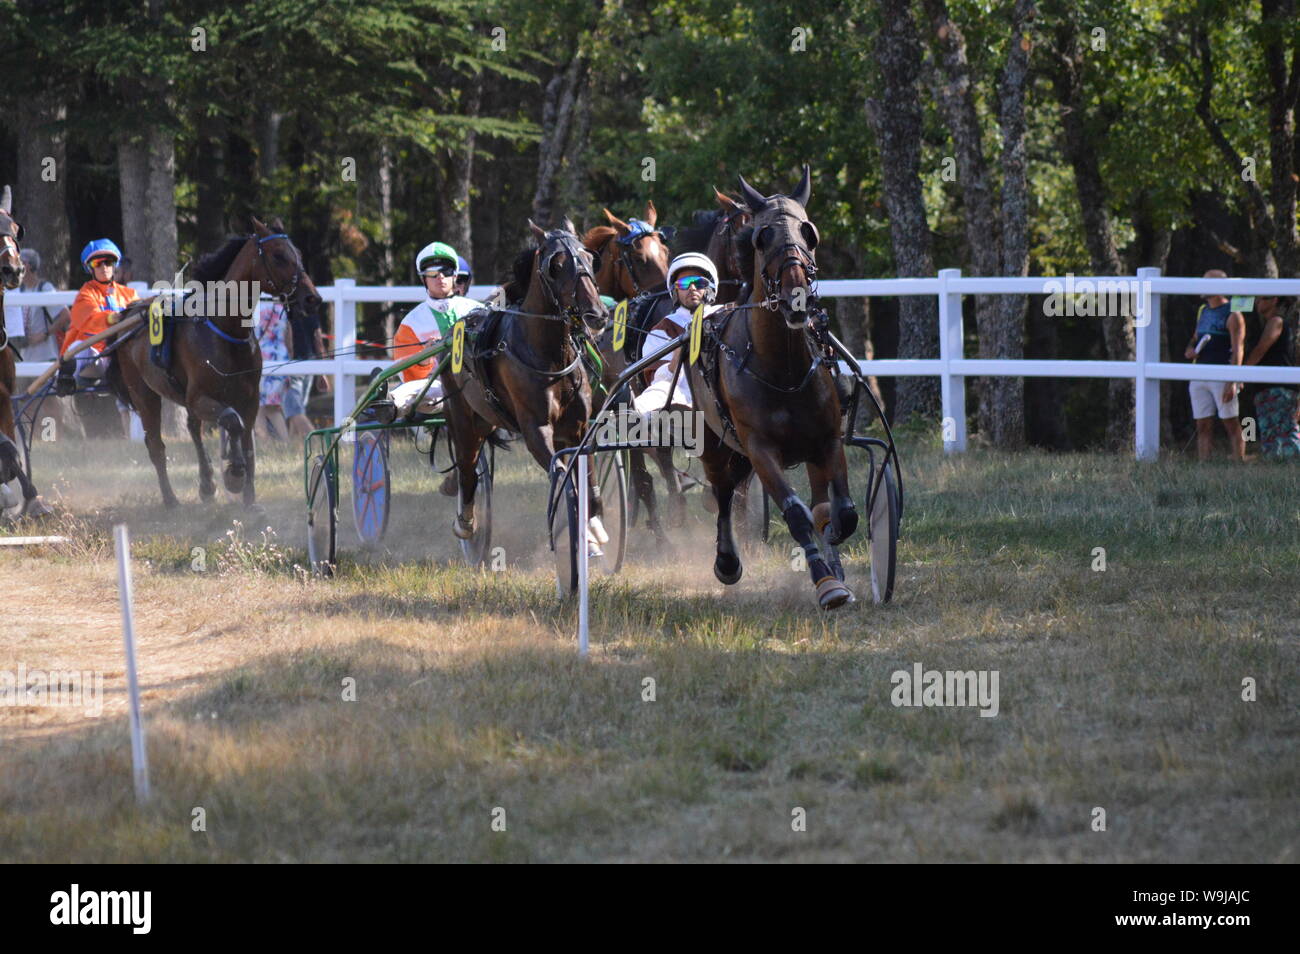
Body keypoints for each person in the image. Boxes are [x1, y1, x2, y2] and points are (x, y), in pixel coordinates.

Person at [633, 252, 722, 416]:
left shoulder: (726, 314)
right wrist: (675, 360)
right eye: (684, 283)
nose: (692, 288)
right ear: (675, 290)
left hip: (725, 389)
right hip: (682, 395)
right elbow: (658, 381)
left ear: (709, 287)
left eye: (699, 283)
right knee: (650, 399)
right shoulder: (663, 328)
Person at [56, 239, 139, 396]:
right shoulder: (85, 294)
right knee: (80, 347)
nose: (104, 267)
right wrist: (112, 318)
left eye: (108, 262)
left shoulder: (130, 294)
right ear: (90, 268)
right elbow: (90, 320)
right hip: (94, 357)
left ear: (115, 265)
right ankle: (67, 377)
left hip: (123, 357)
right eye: (97, 264)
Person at [1183, 269, 1245, 461]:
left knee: (1230, 422)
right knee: (1202, 424)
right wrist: (1190, 349)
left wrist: (1232, 381)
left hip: (1222, 374)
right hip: (1199, 372)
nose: (1202, 286)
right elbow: (1195, 338)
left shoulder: (1234, 313)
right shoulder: (1203, 311)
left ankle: (1238, 461)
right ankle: (1204, 464)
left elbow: (1238, 349)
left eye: (1207, 283)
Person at [1242, 295, 1300, 459]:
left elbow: (1261, 349)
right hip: (1266, 387)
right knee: (1269, 436)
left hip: (1279, 388)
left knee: (1287, 435)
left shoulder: (1276, 321)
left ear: (1274, 300)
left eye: (1262, 299)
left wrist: (1242, 374)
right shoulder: (1266, 324)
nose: (1257, 302)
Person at [15, 249, 71, 362]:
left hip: (45, 356)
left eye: (20, 263)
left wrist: (44, 334)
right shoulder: (19, 291)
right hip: (24, 357)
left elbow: (65, 315)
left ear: (28, 266)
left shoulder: (44, 288)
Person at [284, 300, 329, 439]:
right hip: (310, 363)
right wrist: (322, 372)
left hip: (294, 363)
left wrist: (287, 366)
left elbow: (289, 341)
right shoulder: (312, 314)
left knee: (295, 410)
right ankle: (291, 446)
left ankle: (315, 441)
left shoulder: (287, 312)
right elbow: (318, 342)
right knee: (297, 407)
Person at [254, 295, 294, 440]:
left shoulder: (253, 308)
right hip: (280, 356)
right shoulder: (281, 308)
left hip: (260, 356)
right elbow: (288, 337)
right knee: (273, 407)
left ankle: (264, 442)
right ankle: (285, 442)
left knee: (258, 406)